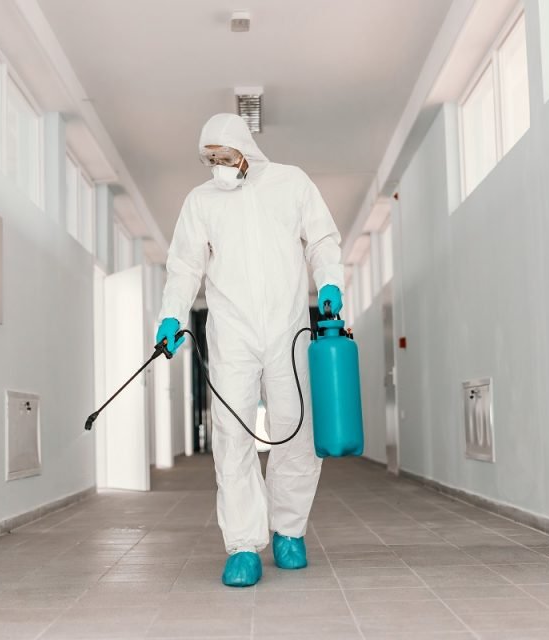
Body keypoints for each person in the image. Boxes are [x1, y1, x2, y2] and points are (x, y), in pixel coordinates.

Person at [156, 113, 344, 587]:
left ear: (244, 148)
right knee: (231, 435)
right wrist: (173, 313)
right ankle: (242, 544)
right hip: (232, 334)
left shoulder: (290, 182)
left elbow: (321, 238)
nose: (217, 166)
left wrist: (331, 284)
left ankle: (289, 530)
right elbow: (183, 265)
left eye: (223, 156)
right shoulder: (201, 202)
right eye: (209, 160)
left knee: (296, 429)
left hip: (288, 328)